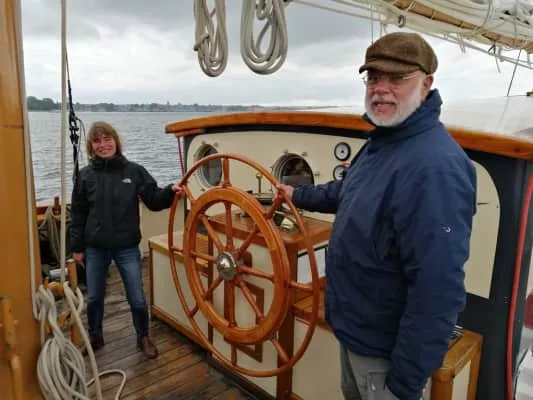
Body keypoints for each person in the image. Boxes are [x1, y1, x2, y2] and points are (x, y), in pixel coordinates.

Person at [276, 32, 477, 399]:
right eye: (373, 77)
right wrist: (297, 194)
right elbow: (347, 192)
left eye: (396, 78)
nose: (381, 89)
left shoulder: (435, 168)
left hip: (386, 354)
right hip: (355, 330)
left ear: (426, 84)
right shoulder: (382, 143)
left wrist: (403, 385)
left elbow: (438, 291)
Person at [70, 121, 180, 359]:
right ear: (91, 146)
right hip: (95, 248)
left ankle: (143, 336)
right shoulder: (85, 176)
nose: (103, 145)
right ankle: (95, 336)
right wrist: (77, 248)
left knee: (137, 298)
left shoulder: (135, 171)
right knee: (94, 298)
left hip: (127, 247)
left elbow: (154, 200)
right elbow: (77, 214)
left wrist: (170, 191)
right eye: (97, 141)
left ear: (116, 141)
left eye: (107, 139)